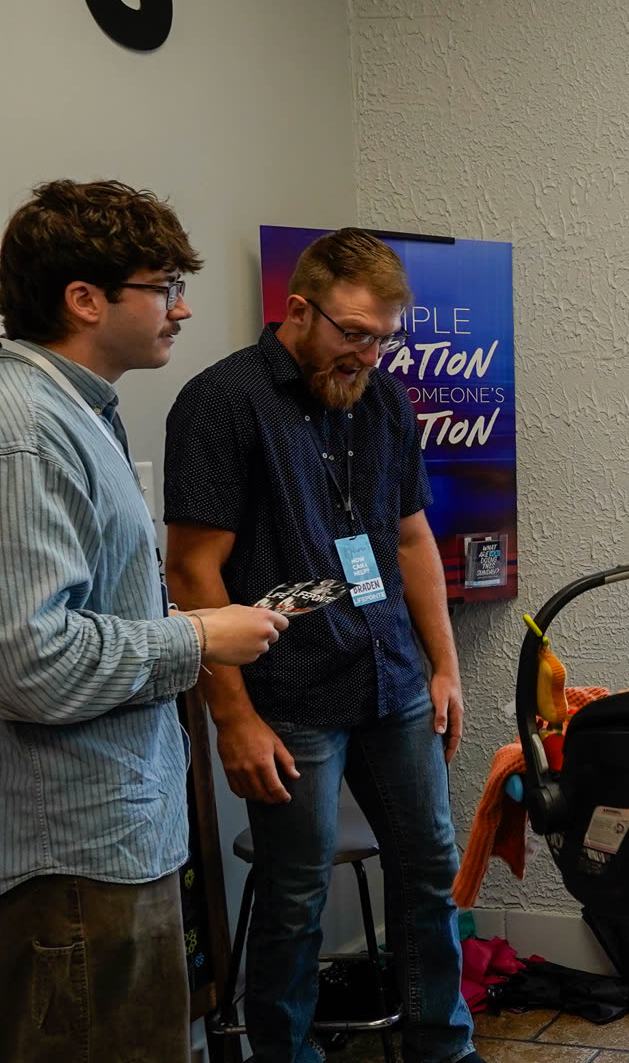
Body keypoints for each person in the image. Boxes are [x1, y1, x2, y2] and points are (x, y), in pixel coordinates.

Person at [164, 228, 479, 1063]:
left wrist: (444, 665)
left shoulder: (382, 402)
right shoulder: (222, 401)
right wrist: (232, 718)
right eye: (352, 333)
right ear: (296, 309)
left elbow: (411, 538)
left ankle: (443, 1049)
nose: (369, 355)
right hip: (291, 695)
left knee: (428, 872)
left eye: (383, 337)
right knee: (296, 899)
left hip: (391, 677)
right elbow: (194, 572)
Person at [0, 179, 288, 1060]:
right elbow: (32, 660)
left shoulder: (79, 412)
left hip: (119, 833)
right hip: (74, 858)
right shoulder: (26, 431)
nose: (183, 306)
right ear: (84, 299)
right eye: (163, 286)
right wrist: (203, 636)